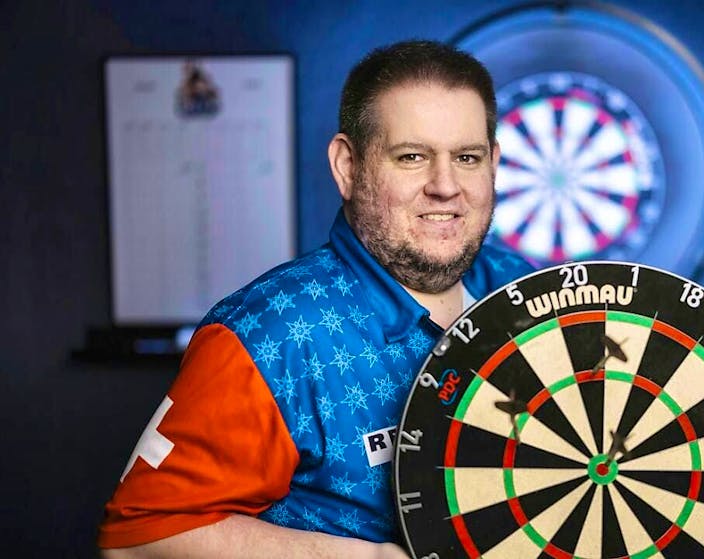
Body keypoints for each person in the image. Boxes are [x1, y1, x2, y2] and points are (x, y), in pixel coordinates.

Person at [99, 40, 533, 558]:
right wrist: (377, 557)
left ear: (494, 164)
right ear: (347, 167)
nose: (445, 186)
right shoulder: (267, 335)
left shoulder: (520, 289)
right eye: (411, 157)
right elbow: (136, 540)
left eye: (467, 157)